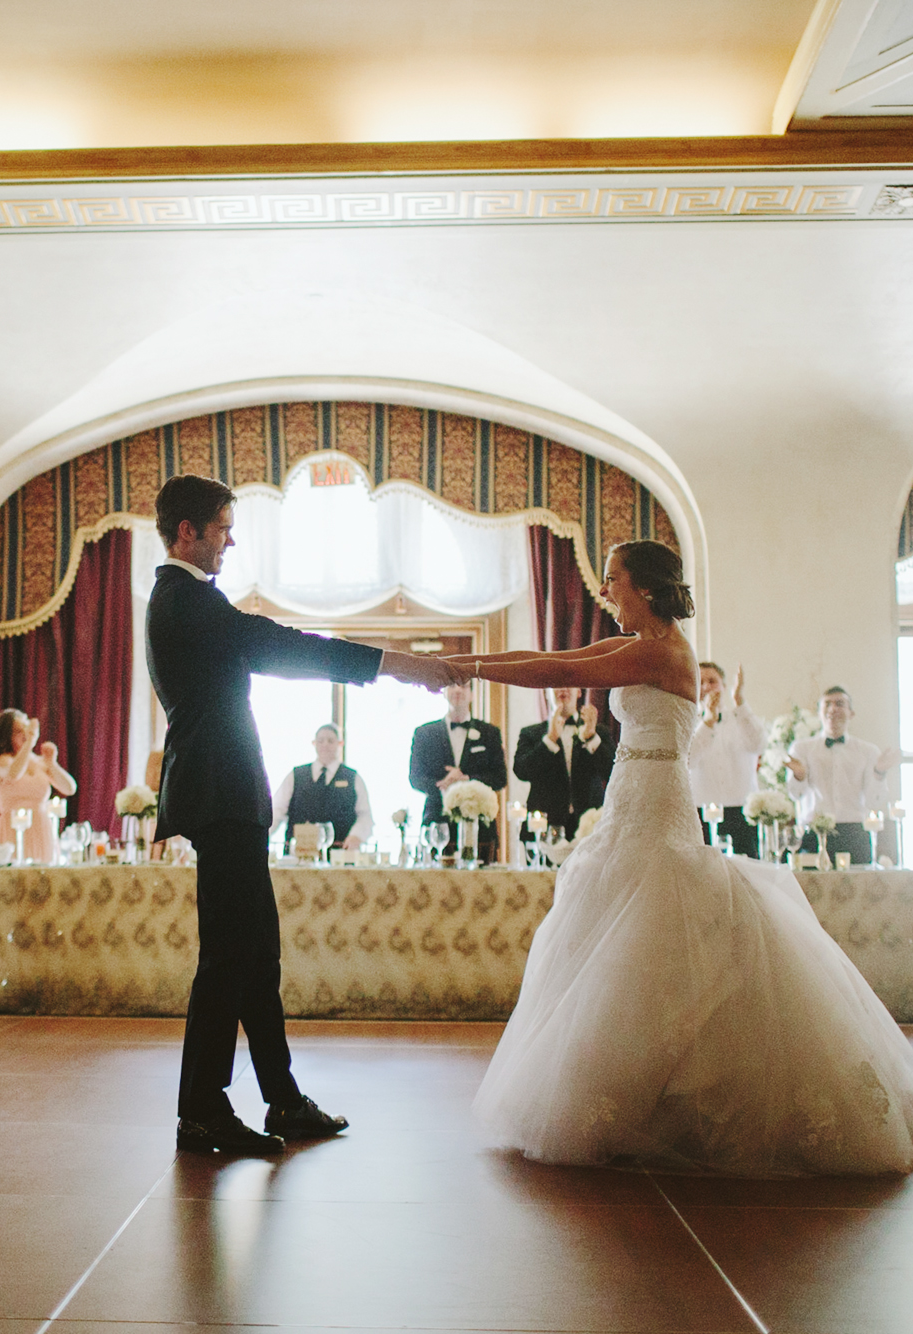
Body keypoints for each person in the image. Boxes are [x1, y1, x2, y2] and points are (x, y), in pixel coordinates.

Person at [448, 542, 913, 1176]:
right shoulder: (642, 642)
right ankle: (647, 1092)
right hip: (632, 797)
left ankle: (656, 1094)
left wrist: (465, 666)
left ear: (645, 587)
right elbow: (559, 660)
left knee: (652, 927)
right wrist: (465, 663)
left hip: (655, 802)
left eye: (614, 579)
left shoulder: (661, 649)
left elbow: (550, 666)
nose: (606, 592)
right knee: (623, 936)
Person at [147, 473, 456, 1155]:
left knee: (256, 958)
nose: (230, 541)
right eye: (223, 528)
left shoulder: (189, 600)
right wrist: (394, 663)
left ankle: (282, 1101)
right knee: (229, 958)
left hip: (230, 797)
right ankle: (200, 1109)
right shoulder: (184, 601)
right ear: (187, 531)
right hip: (221, 797)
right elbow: (280, 644)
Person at [786, 687, 899, 865]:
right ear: (819, 712)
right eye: (827, 704)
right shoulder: (801, 749)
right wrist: (799, 776)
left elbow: (874, 802)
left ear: (851, 713)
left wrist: (879, 773)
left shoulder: (868, 751)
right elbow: (795, 795)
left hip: (854, 833)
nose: (833, 709)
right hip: (814, 832)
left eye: (840, 704)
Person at [408, 681, 507, 862]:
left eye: (464, 686)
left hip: (480, 826)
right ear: (444, 692)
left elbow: (500, 778)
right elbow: (415, 778)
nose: (457, 690)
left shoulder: (490, 733)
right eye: (452, 685)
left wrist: (466, 779)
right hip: (437, 823)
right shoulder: (424, 733)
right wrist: (443, 785)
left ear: (472, 694)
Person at [512, 687, 614, 852]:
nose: (562, 688)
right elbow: (521, 771)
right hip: (544, 829)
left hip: (589, 829)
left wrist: (591, 738)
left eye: (568, 683)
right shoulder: (531, 733)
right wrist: (550, 740)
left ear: (579, 691)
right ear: (546, 692)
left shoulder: (598, 731)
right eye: (556, 684)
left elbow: (612, 772)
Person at [0, 708, 76, 863]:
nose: (24, 734)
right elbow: (14, 774)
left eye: (26, 730)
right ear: (7, 736)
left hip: (42, 828)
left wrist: (52, 764)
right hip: (12, 828)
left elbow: (70, 788)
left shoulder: (39, 761)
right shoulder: (2, 761)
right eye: (18, 731)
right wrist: (29, 743)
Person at [688, 661, 765, 858]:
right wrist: (707, 722)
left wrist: (739, 701)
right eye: (700, 682)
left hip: (743, 812)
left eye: (712, 681)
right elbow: (687, 761)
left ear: (723, 686)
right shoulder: (686, 725)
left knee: (746, 877)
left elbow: (759, 745)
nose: (706, 687)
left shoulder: (742, 719)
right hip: (700, 813)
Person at [271, 722, 372, 853]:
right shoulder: (295, 775)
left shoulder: (353, 778)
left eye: (330, 741)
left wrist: (356, 836)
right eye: (321, 741)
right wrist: (262, 836)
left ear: (340, 744)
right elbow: (277, 811)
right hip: (298, 856)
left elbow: (365, 816)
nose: (325, 745)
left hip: (340, 855)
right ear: (314, 743)